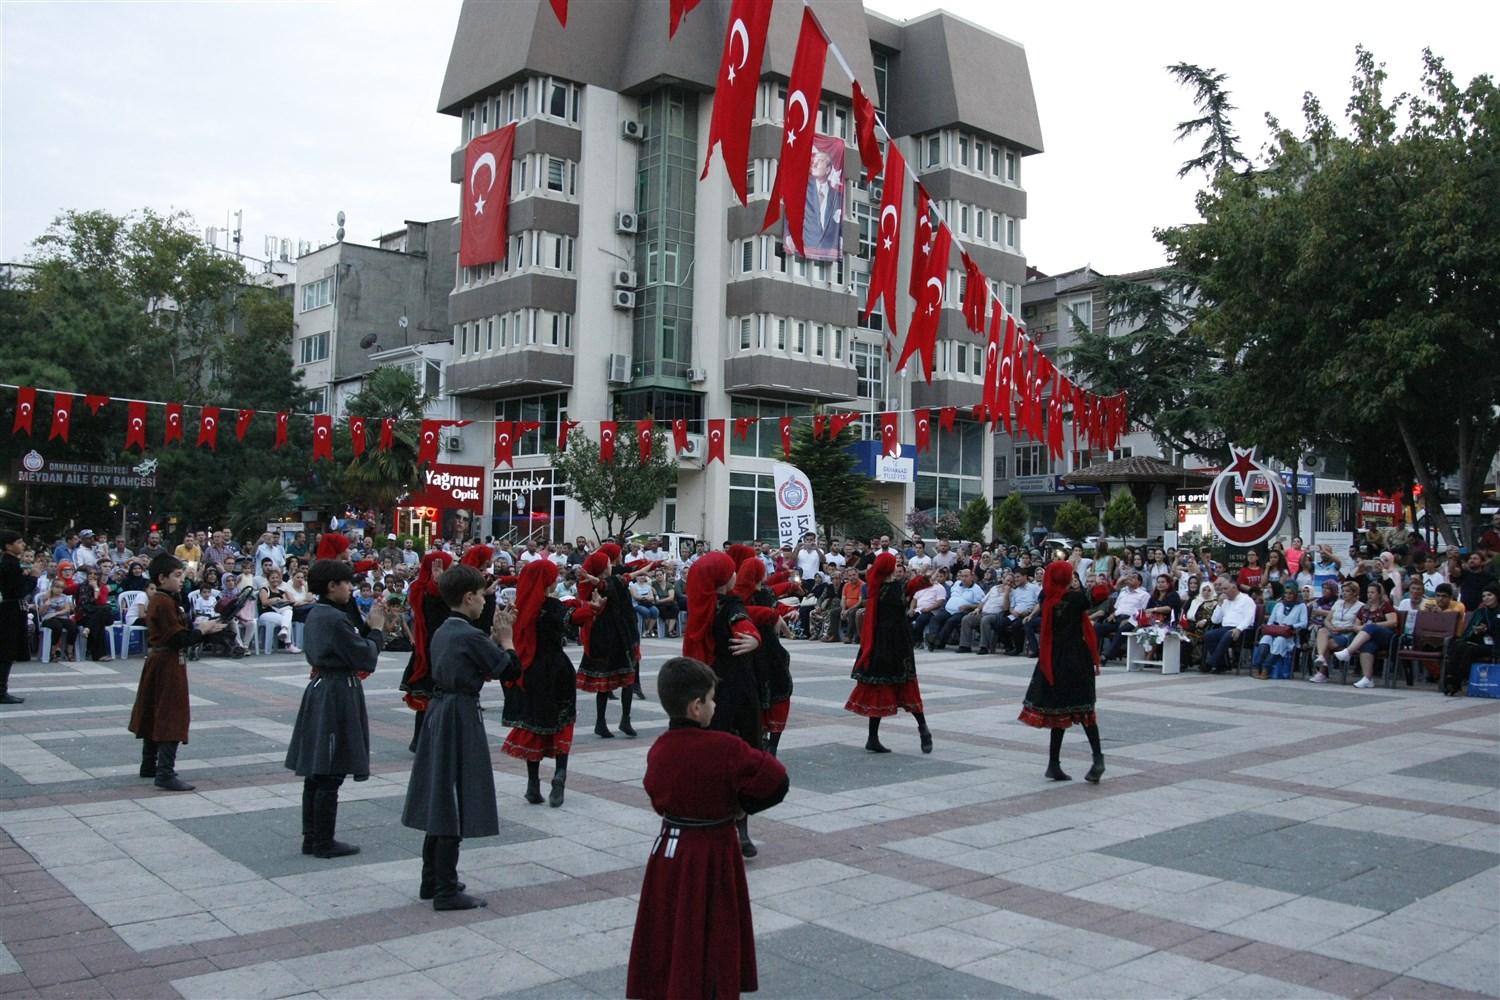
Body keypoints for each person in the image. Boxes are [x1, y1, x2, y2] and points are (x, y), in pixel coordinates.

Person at [625, 657, 789, 1000]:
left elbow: (658, 796)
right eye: (712, 699)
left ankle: (673, 987)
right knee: (714, 929)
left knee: (672, 925)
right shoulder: (726, 748)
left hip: (669, 850)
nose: (715, 705)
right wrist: (742, 805)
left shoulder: (660, 749)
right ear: (697, 707)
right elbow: (777, 779)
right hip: (713, 849)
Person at [401, 564, 520, 911]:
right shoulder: (468, 635)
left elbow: (479, 660)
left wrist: (493, 640)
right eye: (482, 596)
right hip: (459, 714)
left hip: (441, 710)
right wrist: (508, 640)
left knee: (441, 792)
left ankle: (431, 878)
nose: (485, 602)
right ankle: (446, 888)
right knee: (454, 795)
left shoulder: (445, 629)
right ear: (468, 597)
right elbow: (510, 669)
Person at [284, 559, 386, 859]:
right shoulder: (333, 618)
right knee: (330, 767)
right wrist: (377, 631)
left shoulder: (319, 613)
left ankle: (312, 836)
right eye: (346, 583)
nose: (350, 589)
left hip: (322, 687)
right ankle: (323, 840)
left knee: (318, 770)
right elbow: (364, 656)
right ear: (332, 586)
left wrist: (367, 629)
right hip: (336, 691)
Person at [683, 551, 765, 855]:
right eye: (732, 572)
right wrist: (754, 637)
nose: (736, 575)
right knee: (737, 759)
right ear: (723, 580)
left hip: (711, 694)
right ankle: (737, 829)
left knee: (718, 760)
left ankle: (734, 829)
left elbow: (744, 624)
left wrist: (753, 636)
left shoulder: (705, 604)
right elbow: (741, 622)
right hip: (734, 694)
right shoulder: (728, 604)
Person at [127, 554, 227, 791]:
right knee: (171, 713)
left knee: (154, 709)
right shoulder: (163, 602)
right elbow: (178, 638)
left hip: (160, 661)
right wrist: (202, 630)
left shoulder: (165, 599)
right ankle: (165, 772)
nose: (181, 580)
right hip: (167, 663)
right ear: (162, 578)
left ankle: (149, 764)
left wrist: (207, 629)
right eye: (177, 575)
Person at [501, 559, 585, 807]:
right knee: (563, 720)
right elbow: (572, 623)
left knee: (535, 723)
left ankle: (533, 784)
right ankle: (560, 775)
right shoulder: (553, 605)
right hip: (558, 669)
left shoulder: (519, 606)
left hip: (532, 671)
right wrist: (591, 609)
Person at [1019, 561, 1104, 782]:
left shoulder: (1049, 600)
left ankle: (1053, 764)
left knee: (1059, 713)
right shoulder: (1073, 599)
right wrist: (1111, 582)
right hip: (1076, 659)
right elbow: (1096, 596)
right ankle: (1097, 758)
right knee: (1085, 711)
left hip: (1054, 660)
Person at [847, 553, 932, 755]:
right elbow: (909, 588)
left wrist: (922, 580)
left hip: (879, 642)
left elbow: (910, 587)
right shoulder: (893, 588)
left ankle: (873, 737)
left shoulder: (876, 586)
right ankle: (923, 728)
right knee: (905, 683)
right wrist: (924, 579)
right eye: (894, 564)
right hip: (896, 642)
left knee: (880, 686)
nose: (897, 567)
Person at [577, 545, 641, 738]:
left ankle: (622, 720)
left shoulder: (612, 579)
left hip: (618, 632)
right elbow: (610, 585)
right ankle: (605, 721)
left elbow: (632, 572)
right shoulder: (606, 583)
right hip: (611, 635)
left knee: (622, 678)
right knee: (610, 680)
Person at [399, 550, 455, 753]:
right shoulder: (428, 589)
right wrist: (438, 584)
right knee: (432, 697)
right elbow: (436, 612)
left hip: (431, 647)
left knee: (429, 699)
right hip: (435, 648)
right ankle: (423, 740)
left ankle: (422, 739)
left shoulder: (424, 587)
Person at [1333, 583, 1399, 688]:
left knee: (1371, 626)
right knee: (1366, 646)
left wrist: (1374, 626)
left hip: (1386, 637)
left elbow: (1393, 622)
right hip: (1370, 638)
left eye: (1372, 592)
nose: (1369, 595)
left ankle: (1348, 651)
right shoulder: (1364, 608)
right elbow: (1355, 626)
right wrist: (1366, 627)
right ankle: (1367, 679)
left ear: (1379, 594)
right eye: (1368, 592)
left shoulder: (1385, 605)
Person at [1445, 584, 1498, 695]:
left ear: (1497, 596)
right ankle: (1450, 677)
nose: (1486, 598)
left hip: (1495, 645)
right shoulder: (1480, 612)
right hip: (1479, 642)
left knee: (1470, 650)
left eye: (1490, 595)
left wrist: (1487, 630)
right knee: (1458, 644)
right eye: (1484, 596)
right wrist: (1475, 631)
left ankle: (1456, 681)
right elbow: (1468, 632)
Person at [1310, 580, 1366, 682]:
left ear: (1354, 593)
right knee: (1322, 630)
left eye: (1347, 591)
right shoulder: (1338, 603)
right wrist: (1332, 628)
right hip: (1332, 630)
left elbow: (1357, 626)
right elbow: (1327, 619)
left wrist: (1342, 629)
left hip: (1347, 634)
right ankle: (1321, 657)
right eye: (1343, 591)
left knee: (1325, 643)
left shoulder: (1361, 606)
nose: (1344, 593)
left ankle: (1322, 673)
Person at [0, 530, 32, 704]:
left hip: (12, 608)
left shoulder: (12, 563)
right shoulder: (8, 564)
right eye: (19, 542)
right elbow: (18, 590)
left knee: (7, 651)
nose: (22, 545)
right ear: (8, 546)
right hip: (10, 610)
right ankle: (1, 690)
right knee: (6, 651)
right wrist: (33, 578)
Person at [1201, 579, 1258, 673]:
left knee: (1228, 634)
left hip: (1244, 630)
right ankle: (1221, 665)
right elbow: (1215, 620)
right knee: (1209, 635)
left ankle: (1211, 663)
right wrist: (1219, 604)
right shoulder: (1225, 601)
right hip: (1226, 628)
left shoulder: (1247, 600)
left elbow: (1249, 618)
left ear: (1234, 588)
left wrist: (1239, 629)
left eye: (1226, 589)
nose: (1223, 591)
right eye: (1222, 589)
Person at [1251, 585, 1306, 680]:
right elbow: (1270, 622)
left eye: (1291, 593)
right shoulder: (1279, 605)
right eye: (1286, 593)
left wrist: (1291, 626)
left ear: (1295, 594)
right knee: (1266, 638)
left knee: (1280, 641)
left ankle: (1266, 669)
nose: (1288, 596)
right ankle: (1256, 667)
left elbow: (1304, 623)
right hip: (1276, 631)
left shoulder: (1301, 606)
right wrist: (1276, 627)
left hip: (1289, 634)